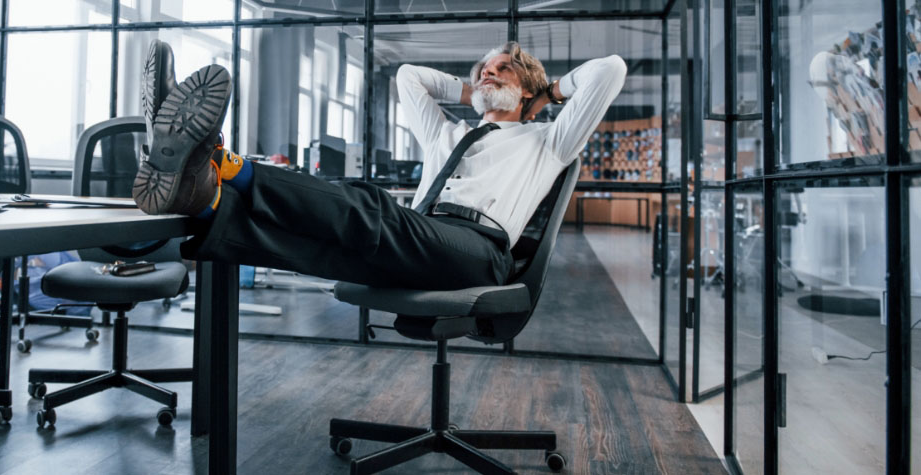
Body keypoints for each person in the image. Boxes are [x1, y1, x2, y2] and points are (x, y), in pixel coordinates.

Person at [133, 40, 626, 291]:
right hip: (420, 238)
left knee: (371, 205)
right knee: (320, 248)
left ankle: (218, 160)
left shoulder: (548, 140)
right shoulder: (446, 134)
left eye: (502, 68)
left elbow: (610, 71)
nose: (488, 72)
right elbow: (409, 77)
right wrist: (471, 90)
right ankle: (204, 198)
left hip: (479, 254)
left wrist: (549, 95)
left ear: (527, 86)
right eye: (483, 69)